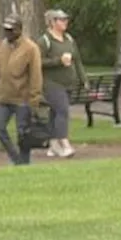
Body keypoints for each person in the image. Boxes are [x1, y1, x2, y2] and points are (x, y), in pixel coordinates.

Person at [0, 14, 43, 166]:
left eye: (11, 30)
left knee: (23, 134)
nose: (7, 33)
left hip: (22, 98)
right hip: (4, 97)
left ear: (19, 30)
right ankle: (16, 158)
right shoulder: (2, 46)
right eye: (5, 30)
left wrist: (34, 99)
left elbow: (35, 76)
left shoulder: (31, 48)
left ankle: (25, 162)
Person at [37, 9, 87, 157]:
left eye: (66, 19)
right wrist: (58, 61)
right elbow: (38, 62)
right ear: (52, 22)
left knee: (55, 113)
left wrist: (83, 78)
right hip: (51, 83)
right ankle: (64, 143)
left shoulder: (69, 39)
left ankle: (53, 145)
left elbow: (77, 60)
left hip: (68, 83)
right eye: (61, 19)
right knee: (62, 110)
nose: (65, 22)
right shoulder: (44, 41)